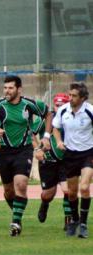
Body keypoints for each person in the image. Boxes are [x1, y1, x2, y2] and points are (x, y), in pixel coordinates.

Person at [0, 75, 47, 236]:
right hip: (3, 151)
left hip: (23, 150)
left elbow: (48, 114)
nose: (7, 91)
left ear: (19, 89)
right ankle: (17, 213)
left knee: (21, 184)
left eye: (10, 88)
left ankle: (16, 222)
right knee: (8, 191)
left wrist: (46, 136)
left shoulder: (30, 104)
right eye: (5, 88)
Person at [53, 83, 93, 238]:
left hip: (88, 153)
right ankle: (74, 220)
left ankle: (83, 224)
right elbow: (55, 127)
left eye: (74, 95)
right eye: (69, 95)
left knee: (84, 188)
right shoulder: (63, 110)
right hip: (70, 154)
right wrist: (58, 141)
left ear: (82, 98)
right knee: (71, 193)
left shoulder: (90, 111)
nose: (70, 98)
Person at [32, 93, 71, 229]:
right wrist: (38, 149)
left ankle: (68, 221)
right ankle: (45, 204)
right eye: (57, 105)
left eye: (62, 105)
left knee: (68, 190)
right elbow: (30, 132)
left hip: (66, 161)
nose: (59, 107)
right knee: (49, 194)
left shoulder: (71, 118)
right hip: (47, 162)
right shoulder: (47, 119)